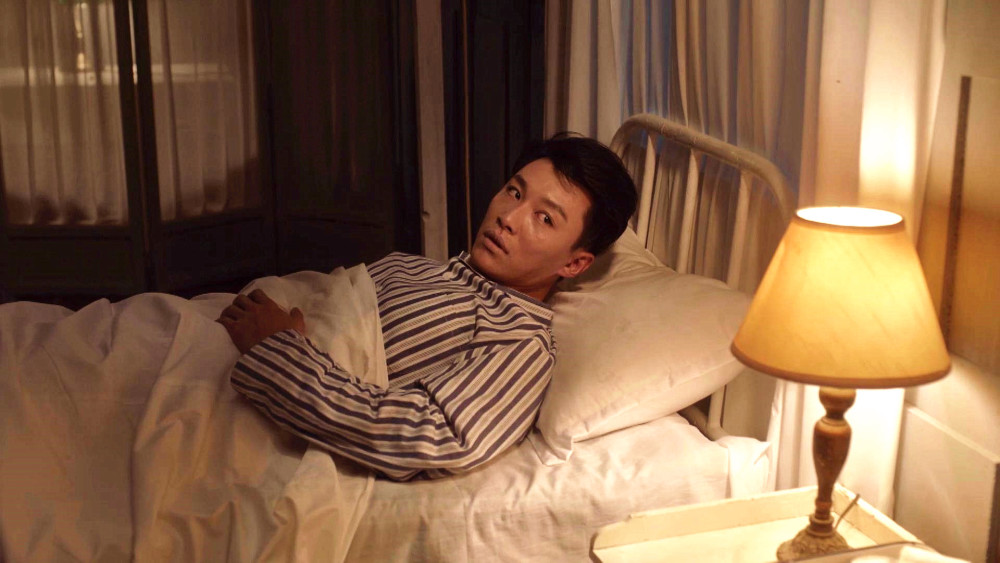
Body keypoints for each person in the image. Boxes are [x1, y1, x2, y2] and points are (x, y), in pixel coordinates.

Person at [217, 133, 637, 480]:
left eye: (544, 218)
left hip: (244, 396)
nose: (508, 217)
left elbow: (430, 434)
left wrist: (280, 351)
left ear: (574, 263)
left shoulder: (519, 342)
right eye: (514, 191)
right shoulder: (417, 267)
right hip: (218, 338)